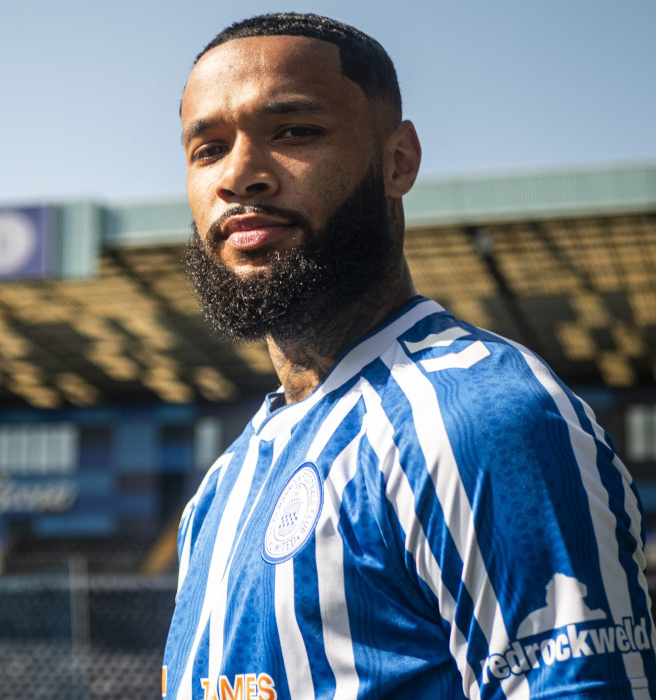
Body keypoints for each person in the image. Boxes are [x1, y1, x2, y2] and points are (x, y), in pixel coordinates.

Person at [163, 12, 656, 700]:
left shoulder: (483, 421)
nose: (240, 175)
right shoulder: (220, 489)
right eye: (208, 148)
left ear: (399, 161)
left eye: (295, 131)